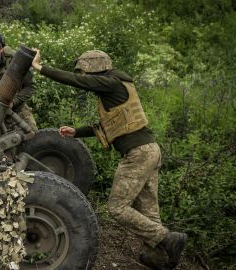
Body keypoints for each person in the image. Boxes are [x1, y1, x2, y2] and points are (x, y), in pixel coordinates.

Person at [31, 49, 187, 270]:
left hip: (138, 153)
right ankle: (160, 258)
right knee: (148, 211)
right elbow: (111, 125)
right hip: (149, 149)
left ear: (95, 68)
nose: (84, 76)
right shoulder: (117, 87)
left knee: (117, 208)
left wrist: (40, 68)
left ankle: (167, 238)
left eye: (85, 72)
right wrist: (77, 132)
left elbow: (76, 81)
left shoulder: (111, 83)